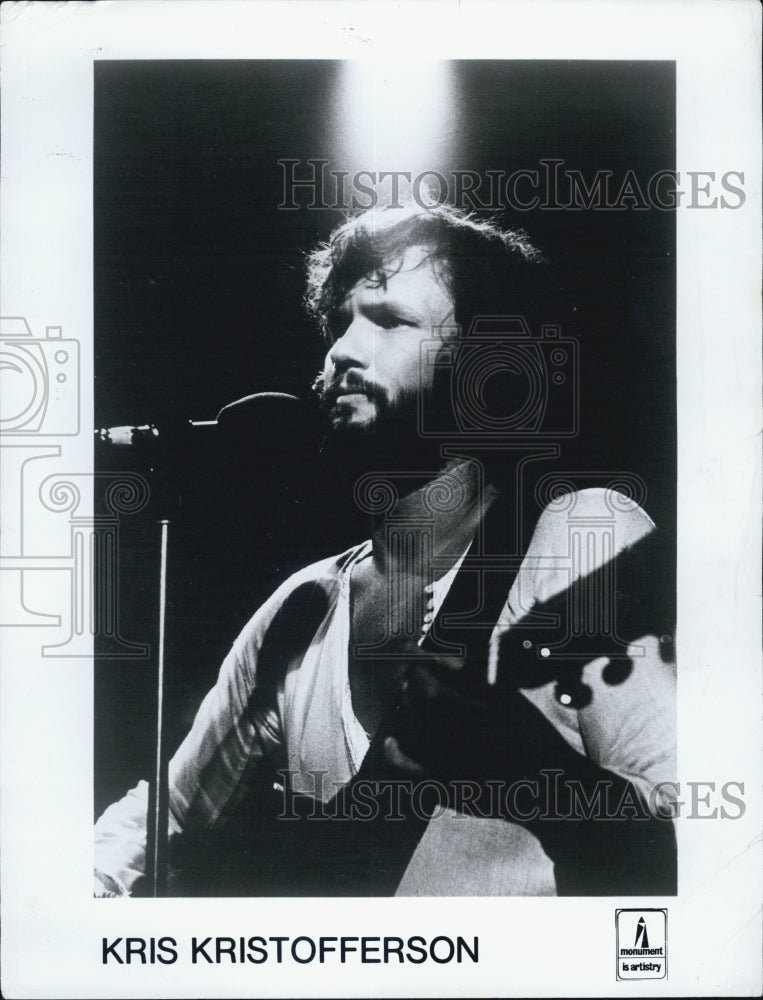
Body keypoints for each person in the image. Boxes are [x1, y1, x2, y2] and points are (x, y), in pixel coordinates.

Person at [94, 202, 676, 898]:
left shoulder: (580, 540)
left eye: (389, 321)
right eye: (340, 321)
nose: (342, 349)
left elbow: (700, 835)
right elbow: (164, 821)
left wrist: (537, 774)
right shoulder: (303, 607)